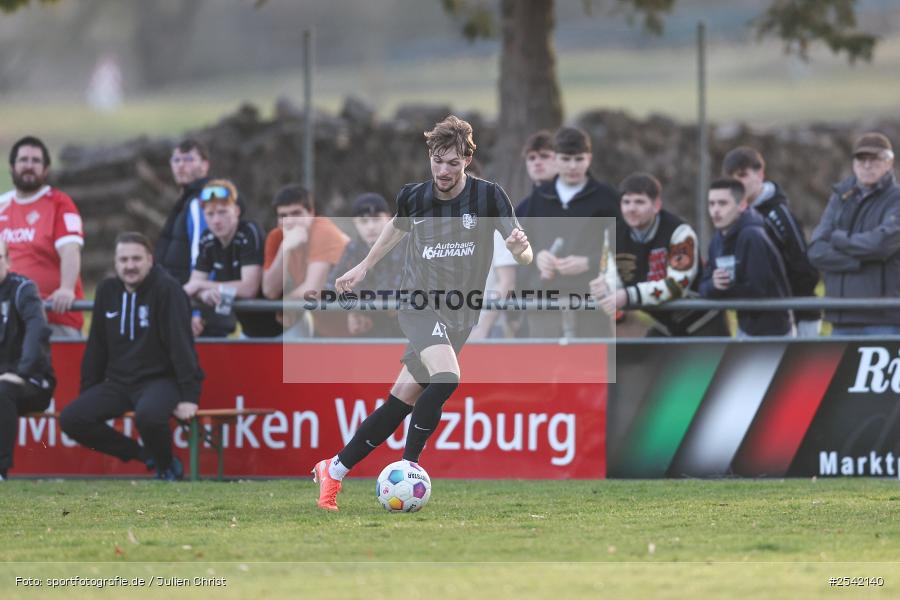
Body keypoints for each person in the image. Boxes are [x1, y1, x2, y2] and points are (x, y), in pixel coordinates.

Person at [312, 115, 532, 510]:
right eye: (436, 160)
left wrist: (521, 249)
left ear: (467, 159)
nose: (442, 170)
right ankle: (409, 466)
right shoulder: (415, 196)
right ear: (429, 156)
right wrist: (363, 267)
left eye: (451, 162)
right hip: (417, 303)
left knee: (399, 402)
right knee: (446, 377)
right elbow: (395, 229)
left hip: (461, 314)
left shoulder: (489, 198)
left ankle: (334, 469)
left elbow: (524, 251)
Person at [60, 232, 203, 481]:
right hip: (119, 383)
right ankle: (144, 455)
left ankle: (168, 466)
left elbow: (182, 345)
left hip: (161, 380)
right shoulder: (107, 290)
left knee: (147, 416)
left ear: (150, 259)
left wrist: (190, 395)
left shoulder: (167, 289)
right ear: (115, 263)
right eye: (123, 260)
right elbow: (97, 346)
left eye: (136, 259)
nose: (130, 266)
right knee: (72, 418)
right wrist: (89, 392)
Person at [591, 172, 728, 337]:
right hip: (664, 326)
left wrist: (628, 295)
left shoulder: (679, 232)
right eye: (626, 202)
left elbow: (677, 284)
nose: (631, 208)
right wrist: (605, 287)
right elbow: (612, 278)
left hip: (703, 322)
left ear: (656, 206)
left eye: (639, 202)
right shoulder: (612, 234)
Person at [517, 126, 620, 337]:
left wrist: (589, 262)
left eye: (579, 159)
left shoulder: (607, 198)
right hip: (545, 297)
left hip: (590, 296)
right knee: (545, 365)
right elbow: (522, 243)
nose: (572, 166)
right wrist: (538, 257)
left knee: (590, 365)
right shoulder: (538, 198)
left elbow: (623, 246)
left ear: (589, 159)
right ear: (555, 159)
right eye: (565, 159)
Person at [722, 146, 821, 336]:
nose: (737, 184)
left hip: (795, 317)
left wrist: (786, 306)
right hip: (753, 320)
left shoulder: (779, 215)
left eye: (743, 175)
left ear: (760, 174)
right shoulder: (732, 217)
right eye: (732, 179)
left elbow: (804, 268)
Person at [808, 132, 900, 336]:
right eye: (861, 159)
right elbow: (816, 251)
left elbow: (880, 245)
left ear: (889, 163)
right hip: (841, 321)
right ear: (853, 164)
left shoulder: (896, 199)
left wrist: (838, 238)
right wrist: (859, 262)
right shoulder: (840, 197)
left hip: (883, 322)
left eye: (874, 159)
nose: (867, 165)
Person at [1, 136, 85, 338]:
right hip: (8, 317)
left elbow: (70, 249)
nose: (29, 165)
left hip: (52, 316)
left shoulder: (59, 203)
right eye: (23, 160)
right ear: (12, 167)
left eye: (36, 161)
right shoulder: (2, 204)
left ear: (46, 169)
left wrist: (66, 289)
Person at [700, 179, 793, 337]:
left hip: (772, 333)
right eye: (711, 204)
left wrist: (724, 288)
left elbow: (758, 292)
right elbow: (704, 285)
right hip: (745, 328)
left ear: (742, 205)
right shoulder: (717, 239)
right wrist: (714, 285)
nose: (715, 210)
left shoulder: (752, 236)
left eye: (722, 203)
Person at [182, 179, 267, 338]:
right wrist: (204, 294)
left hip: (285, 328)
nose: (216, 220)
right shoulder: (207, 239)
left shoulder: (249, 232)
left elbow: (249, 289)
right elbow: (193, 288)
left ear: (236, 211)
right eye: (210, 214)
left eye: (222, 212)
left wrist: (202, 285)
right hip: (249, 331)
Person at [0, 239, 55, 481]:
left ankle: (1, 470)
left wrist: (21, 372)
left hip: (31, 381)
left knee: (1, 391)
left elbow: (38, 330)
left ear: (8, 261)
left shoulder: (23, 290)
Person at [261, 184, 348, 337]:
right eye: (283, 216)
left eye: (296, 213)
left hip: (358, 320)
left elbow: (311, 290)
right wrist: (285, 248)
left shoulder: (323, 230)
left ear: (311, 213)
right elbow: (269, 290)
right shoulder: (277, 237)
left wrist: (284, 305)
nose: (289, 221)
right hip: (324, 325)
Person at [325, 193, 405, 338]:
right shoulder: (353, 248)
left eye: (376, 219)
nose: (370, 227)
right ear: (355, 223)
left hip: (404, 326)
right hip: (369, 324)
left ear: (388, 218)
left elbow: (391, 292)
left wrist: (359, 307)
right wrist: (354, 311)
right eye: (363, 221)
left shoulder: (404, 243)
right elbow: (332, 286)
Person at [154, 138, 212, 285]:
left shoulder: (202, 201)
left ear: (205, 165)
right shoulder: (185, 200)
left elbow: (200, 254)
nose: (181, 165)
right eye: (176, 160)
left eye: (189, 159)